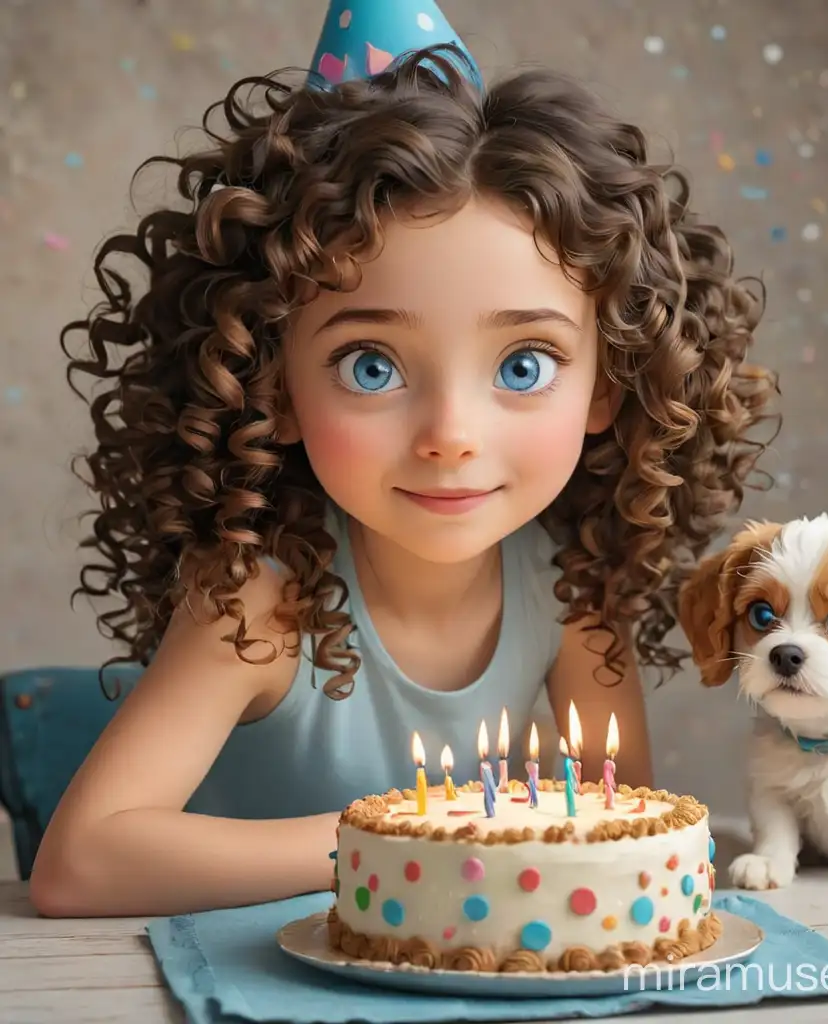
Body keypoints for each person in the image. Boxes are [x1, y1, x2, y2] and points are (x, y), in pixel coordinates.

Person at [30, 1, 776, 918]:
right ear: (272, 388)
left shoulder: (573, 586)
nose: (450, 433)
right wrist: (414, 836)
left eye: (524, 365)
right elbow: (80, 865)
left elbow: (623, 829)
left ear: (607, 388)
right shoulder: (264, 600)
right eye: (372, 366)